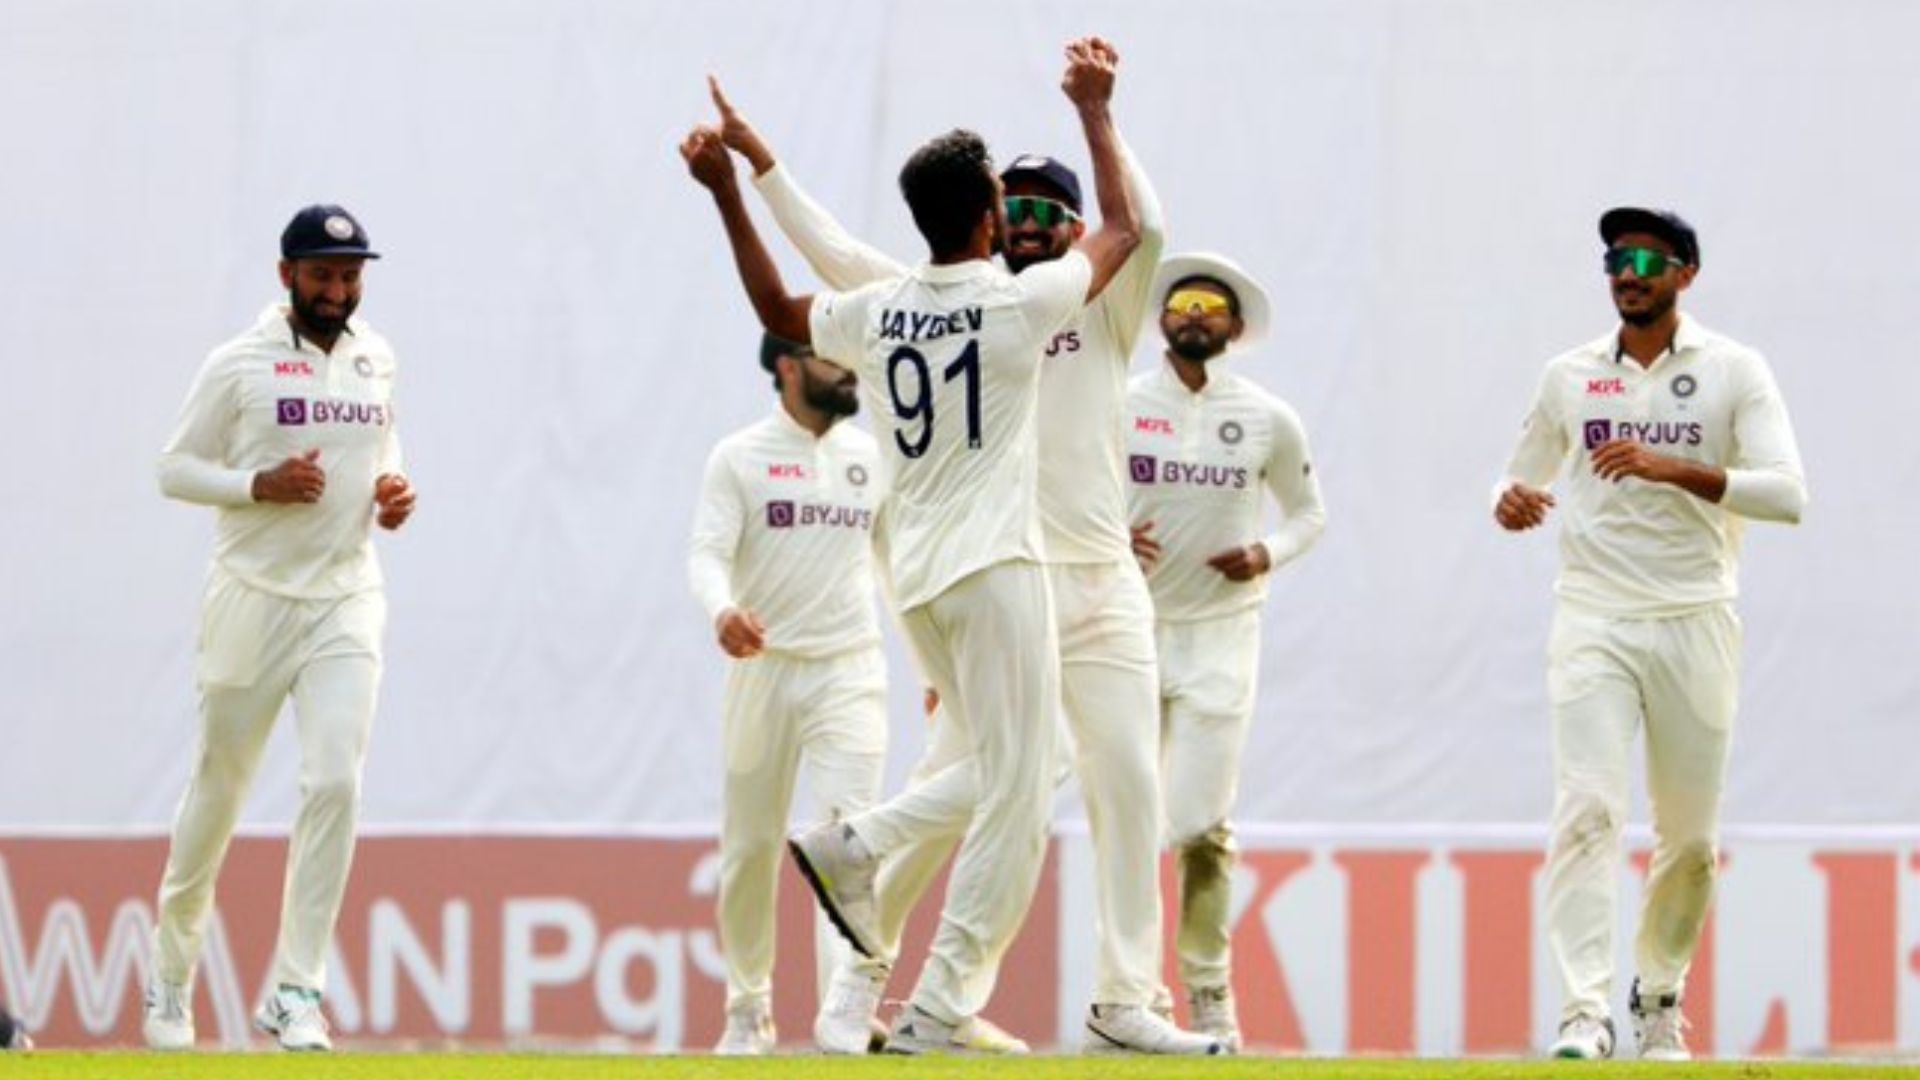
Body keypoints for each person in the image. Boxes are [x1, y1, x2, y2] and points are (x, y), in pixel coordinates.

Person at [703, 63, 1217, 1055]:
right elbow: (842, 249)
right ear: (988, 217)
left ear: (1063, 226)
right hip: (1002, 578)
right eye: (1009, 202)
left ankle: (1124, 1000)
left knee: (1122, 787)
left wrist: (748, 177)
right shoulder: (1012, 303)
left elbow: (1139, 231)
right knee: (995, 792)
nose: (1025, 218)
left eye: (1043, 206)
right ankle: (872, 985)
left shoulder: (1092, 306)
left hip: (1080, 578)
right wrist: (1096, 106)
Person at [1494, 208, 1806, 1061]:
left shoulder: (1734, 370)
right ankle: (1584, 1012)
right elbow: (1519, 479)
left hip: (1695, 614)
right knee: (1589, 810)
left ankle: (1659, 998)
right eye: (1614, 259)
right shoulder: (1570, 374)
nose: (1626, 272)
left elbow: (1788, 494)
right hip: (1592, 615)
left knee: (1692, 841)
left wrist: (1678, 468)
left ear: (1685, 274)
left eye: (1644, 259)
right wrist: (1512, 501)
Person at [145, 204, 415, 1053]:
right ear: (286, 275)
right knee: (220, 791)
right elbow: (173, 468)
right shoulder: (240, 364)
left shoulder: (377, 356)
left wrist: (394, 488)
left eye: (349, 276)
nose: (338, 291)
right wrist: (255, 486)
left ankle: (297, 989)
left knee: (335, 782)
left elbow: (385, 442)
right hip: (252, 596)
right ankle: (171, 980)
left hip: (345, 594)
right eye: (323, 275)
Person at [1125, 253, 1327, 1050]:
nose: (1194, 315)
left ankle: (1208, 991)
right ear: (1162, 322)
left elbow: (1309, 514)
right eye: (1181, 305)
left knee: (1200, 827)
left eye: (1211, 306)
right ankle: (1134, 995)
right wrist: (1108, 539)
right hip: (1129, 633)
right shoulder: (1122, 404)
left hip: (1222, 636)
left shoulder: (1267, 416)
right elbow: (1069, 493)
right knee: (1130, 824)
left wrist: (1266, 554)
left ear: (1235, 329)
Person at [687, 333, 888, 1054]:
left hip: (850, 667)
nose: (849, 370)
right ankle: (748, 1006)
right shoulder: (738, 456)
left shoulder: (872, 455)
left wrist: (939, 672)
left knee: (847, 845)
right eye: (832, 357)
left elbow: (900, 566)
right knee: (749, 848)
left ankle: (844, 1015)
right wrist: (722, 611)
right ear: (788, 366)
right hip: (764, 668)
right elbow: (707, 554)